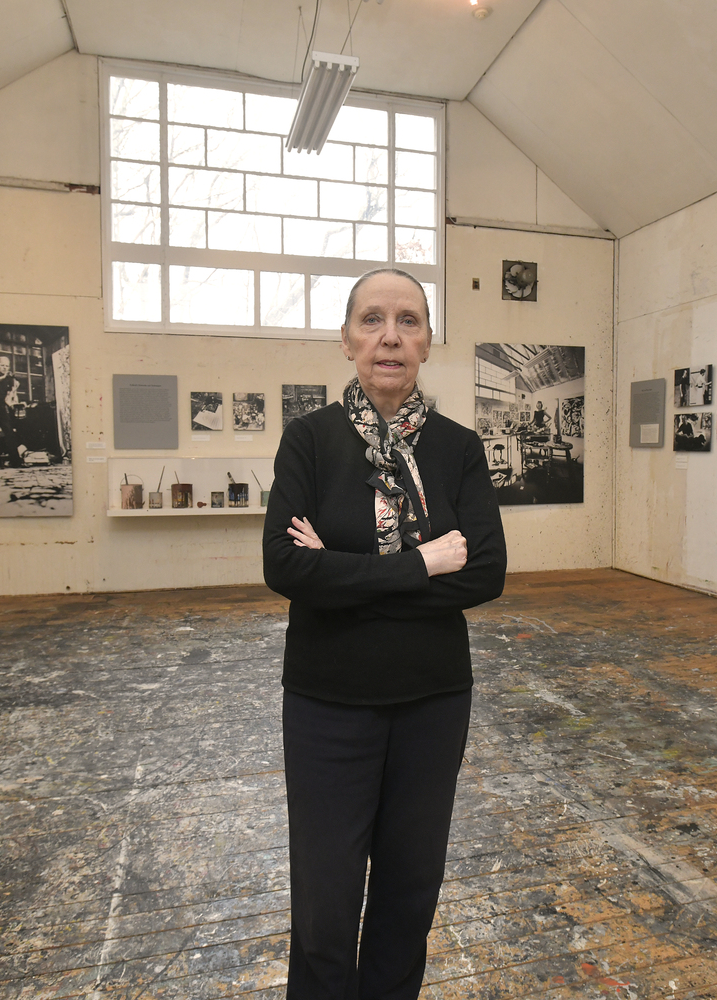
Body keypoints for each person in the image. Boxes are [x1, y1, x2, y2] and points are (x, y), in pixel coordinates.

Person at [262, 268, 508, 1000]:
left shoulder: (458, 449)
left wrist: (342, 575)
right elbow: (283, 566)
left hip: (432, 701)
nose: (390, 336)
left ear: (428, 342)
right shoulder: (308, 442)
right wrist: (422, 565)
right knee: (327, 899)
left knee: (409, 889)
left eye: (408, 320)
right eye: (372, 320)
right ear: (347, 340)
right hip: (327, 702)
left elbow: (485, 573)